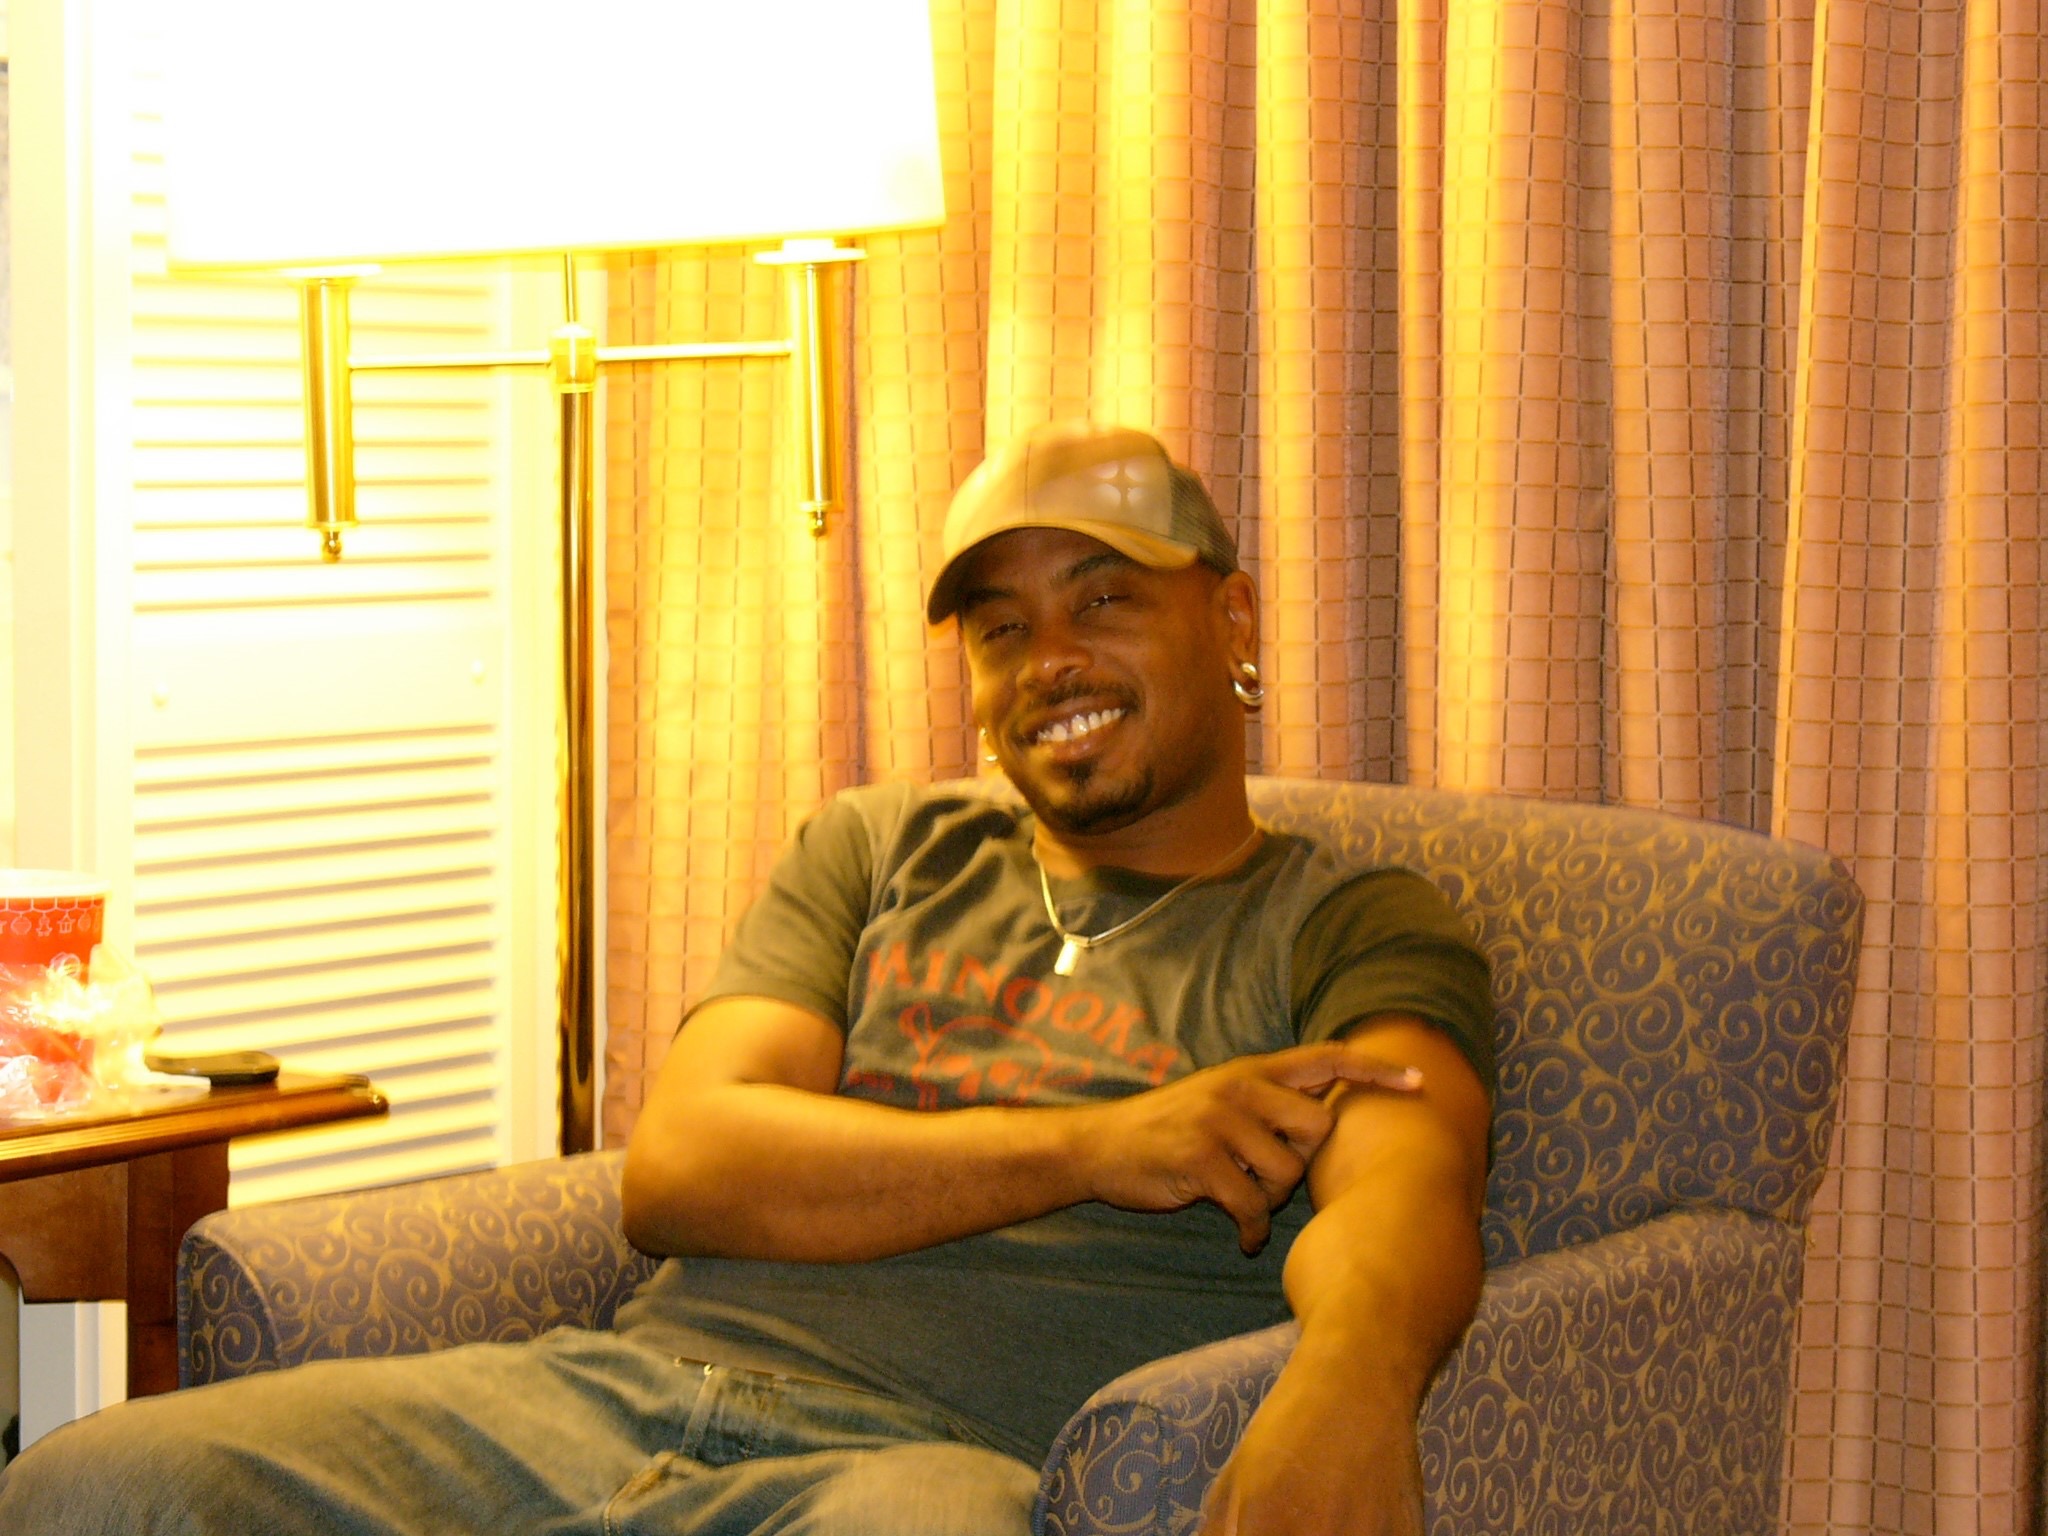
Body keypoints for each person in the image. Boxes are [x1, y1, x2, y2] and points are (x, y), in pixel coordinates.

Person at [0, 420, 1493, 1536]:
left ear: (1231, 621)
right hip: (612, 1400)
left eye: (1103, 601)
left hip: (933, 1463)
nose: (1048, 658)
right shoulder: (881, 845)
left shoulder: (1347, 922)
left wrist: (1355, 1384)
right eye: (1001, 629)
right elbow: (687, 1167)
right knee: (89, 1486)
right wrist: (1100, 1145)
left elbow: (1404, 1192)